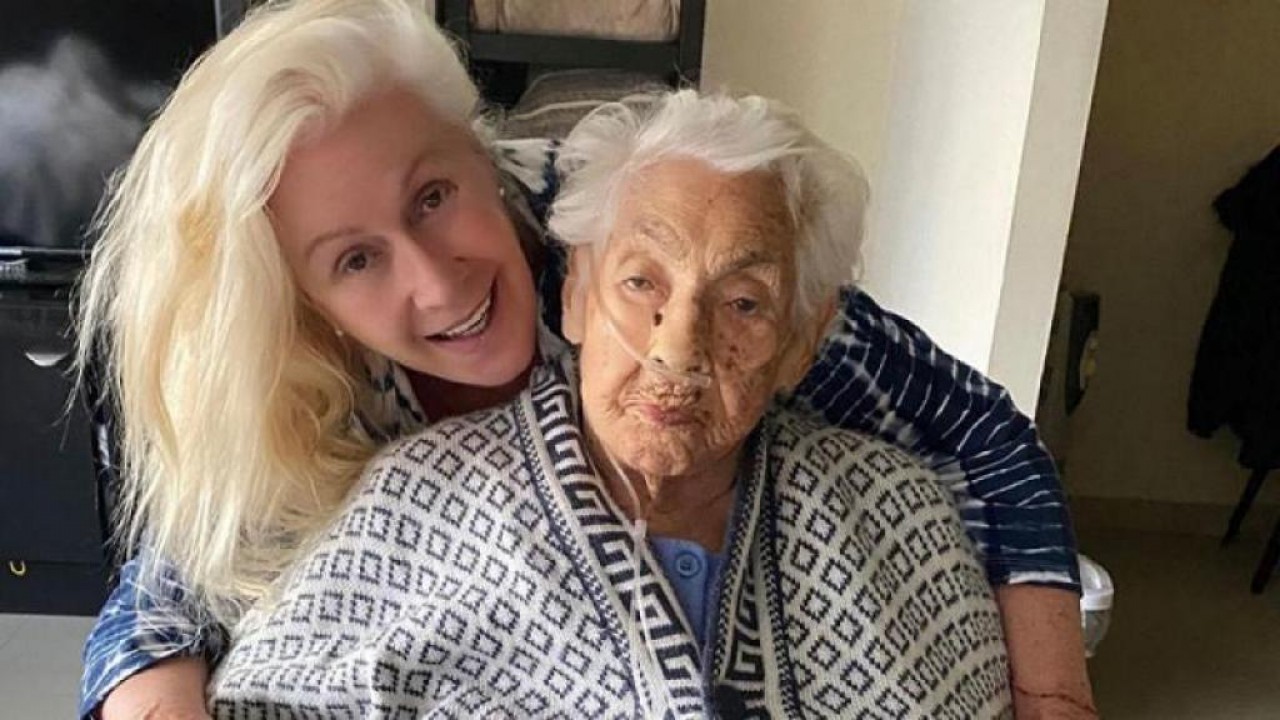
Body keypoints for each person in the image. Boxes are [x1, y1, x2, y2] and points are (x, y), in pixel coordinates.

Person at [75, 1, 1090, 718]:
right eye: (354, 260)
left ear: (479, 147)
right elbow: (165, 598)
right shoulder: (310, 380)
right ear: (305, 301)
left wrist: (1052, 697)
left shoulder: (627, 223)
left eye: (433, 195)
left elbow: (982, 431)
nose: (437, 281)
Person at [209, 89, 1016, 718]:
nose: (678, 351)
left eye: (743, 303)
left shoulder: (896, 513)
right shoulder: (411, 505)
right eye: (640, 282)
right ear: (577, 294)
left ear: (802, 343)